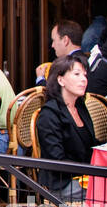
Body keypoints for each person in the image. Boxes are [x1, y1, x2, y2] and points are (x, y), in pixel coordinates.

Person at [35, 52, 95, 198]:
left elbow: (90, 146)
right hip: (62, 183)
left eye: (85, 75)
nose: (83, 80)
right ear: (61, 80)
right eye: (77, 74)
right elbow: (57, 160)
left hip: (84, 176)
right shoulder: (49, 114)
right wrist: (92, 172)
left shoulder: (79, 107)